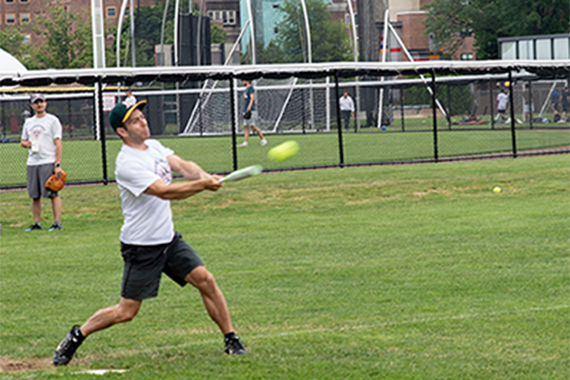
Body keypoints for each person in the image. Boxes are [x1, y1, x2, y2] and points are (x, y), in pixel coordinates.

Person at [53, 100, 247, 366]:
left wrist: (203, 175)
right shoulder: (126, 164)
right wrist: (203, 185)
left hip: (168, 239)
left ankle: (231, 339)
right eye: (135, 121)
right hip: (141, 245)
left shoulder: (153, 147)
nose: (143, 122)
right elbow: (164, 191)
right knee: (126, 311)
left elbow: (183, 164)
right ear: (122, 131)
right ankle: (77, 335)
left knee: (206, 280)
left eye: (142, 117)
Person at [20, 93, 64, 232]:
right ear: (32, 105)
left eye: (41, 101)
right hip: (33, 161)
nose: (39, 104)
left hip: (48, 160)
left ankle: (57, 223)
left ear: (46, 103)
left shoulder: (52, 120)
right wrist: (27, 144)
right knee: (34, 195)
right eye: (36, 102)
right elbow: (23, 141)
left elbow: (58, 143)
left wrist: (57, 164)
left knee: (52, 193)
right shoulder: (29, 122)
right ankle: (36, 223)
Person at [238, 79, 267, 147]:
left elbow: (252, 98)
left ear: (247, 81)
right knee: (245, 126)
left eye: (244, 80)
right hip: (246, 110)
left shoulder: (251, 88)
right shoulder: (246, 89)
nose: (243, 82)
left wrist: (249, 109)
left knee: (253, 126)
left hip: (251, 110)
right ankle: (245, 142)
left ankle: (263, 139)